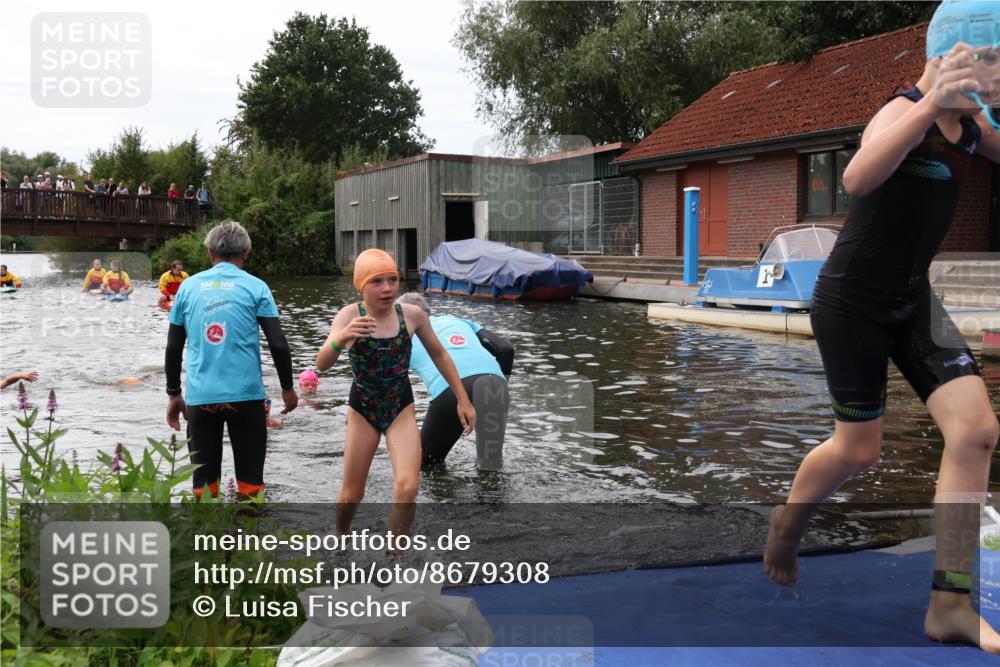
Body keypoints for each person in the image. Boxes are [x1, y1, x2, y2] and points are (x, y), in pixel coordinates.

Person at [764, 2, 1000, 654]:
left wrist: (972, 117)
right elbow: (856, 173)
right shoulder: (902, 110)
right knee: (859, 450)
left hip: (913, 299)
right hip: (851, 303)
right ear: (957, 55)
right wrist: (927, 103)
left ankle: (950, 602)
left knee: (977, 430)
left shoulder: (971, 128)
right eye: (996, 58)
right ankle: (789, 522)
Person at [315, 248, 475, 540]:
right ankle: (341, 535)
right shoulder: (350, 315)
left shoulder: (411, 316)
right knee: (352, 494)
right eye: (377, 281)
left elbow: (440, 354)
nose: (387, 288)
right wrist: (342, 336)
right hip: (363, 408)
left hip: (400, 407)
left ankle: (395, 554)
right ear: (361, 285)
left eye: (393, 279)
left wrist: (463, 399)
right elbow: (321, 364)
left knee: (408, 488)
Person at [165, 220, 297, 500]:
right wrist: (288, 388)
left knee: (204, 487)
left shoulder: (187, 288)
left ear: (210, 253)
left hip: (201, 399)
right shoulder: (256, 287)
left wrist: (174, 394)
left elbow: (174, 346)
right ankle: (249, 539)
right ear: (246, 253)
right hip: (246, 399)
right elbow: (278, 344)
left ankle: (206, 540)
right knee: (250, 486)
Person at [397, 292, 514, 471]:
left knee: (424, 465)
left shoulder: (403, 334)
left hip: (453, 390)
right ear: (428, 311)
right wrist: (501, 388)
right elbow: (506, 350)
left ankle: (443, 496)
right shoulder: (459, 321)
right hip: (495, 384)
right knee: (490, 468)